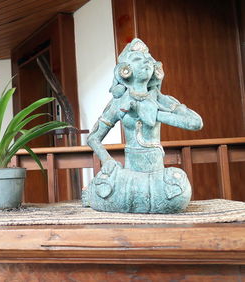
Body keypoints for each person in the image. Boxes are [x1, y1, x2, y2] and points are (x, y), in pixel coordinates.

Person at [83, 39, 203, 213]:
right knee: (106, 189)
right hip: (128, 177)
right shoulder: (119, 103)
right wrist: (108, 161)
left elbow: (195, 123)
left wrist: (153, 113)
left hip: (157, 176)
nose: (146, 62)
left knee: (178, 195)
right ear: (125, 70)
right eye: (139, 59)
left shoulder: (161, 99)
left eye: (148, 59)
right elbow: (93, 138)